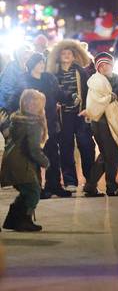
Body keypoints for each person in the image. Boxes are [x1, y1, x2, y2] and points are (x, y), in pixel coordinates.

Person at [81, 53, 118, 197]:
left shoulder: (116, 78)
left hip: (113, 121)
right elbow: (95, 104)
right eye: (101, 65)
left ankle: (90, 186)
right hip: (102, 123)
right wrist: (113, 95)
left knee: (106, 155)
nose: (105, 67)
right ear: (98, 67)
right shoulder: (95, 81)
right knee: (112, 155)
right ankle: (112, 187)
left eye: (107, 64)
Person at [24, 53, 74, 198]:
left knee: (53, 155)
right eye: (39, 62)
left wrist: (70, 96)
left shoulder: (49, 78)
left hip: (50, 123)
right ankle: (36, 188)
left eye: (43, 62)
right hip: (33, 124)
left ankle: (54, 185)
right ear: (32, 64)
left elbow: (58, 93)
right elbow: (18, 100)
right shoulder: (25, 80)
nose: (42, 65)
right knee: (35, 156)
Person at [0, 89, 50, 232]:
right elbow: (33, 149)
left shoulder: (17, 119)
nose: (33, 105)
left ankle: (12, 220)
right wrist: (45, 162)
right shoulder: (33, 123)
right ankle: (23, 220)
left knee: (26, 191)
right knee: (33, 191)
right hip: (21, 163)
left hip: (11, 161)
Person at [47, 40, 92, 191]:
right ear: (58, 56)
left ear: (74, 56)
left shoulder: (81, 71)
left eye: (69, 54)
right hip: (63, 116)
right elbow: (51, 94)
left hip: (80, 114)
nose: (66, 56)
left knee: (86, 146)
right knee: (66, 148)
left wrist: (87, 109)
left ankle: (90, 181)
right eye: (63, 54)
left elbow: (88, 92)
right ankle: (70, 181)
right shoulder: (54, 74)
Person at [0, 46, 34, 134]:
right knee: (9, 137)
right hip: (7, 108)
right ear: (17, 54)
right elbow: (6, 90)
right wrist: (21, 100)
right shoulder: (12, 68)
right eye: (23, 52)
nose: (26, 55)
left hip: (19, 108)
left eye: (28, 52)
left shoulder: (28, 68)